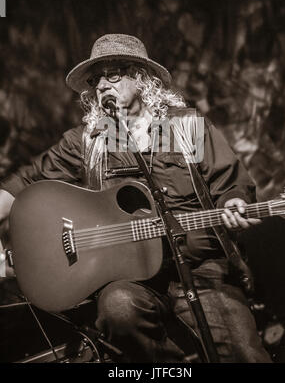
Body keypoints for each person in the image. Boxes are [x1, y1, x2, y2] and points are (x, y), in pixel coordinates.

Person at [0, 34, 271, 363]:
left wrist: (233, 204)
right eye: (95, 78)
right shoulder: (86, 141)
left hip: (203, 271)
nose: (101, 84)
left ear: (143, 78)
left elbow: (231, 186)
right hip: (130, 278)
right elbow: (22, 185)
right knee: (117, 308)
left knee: (245, 356)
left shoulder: (188, 127)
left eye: (112, 74)